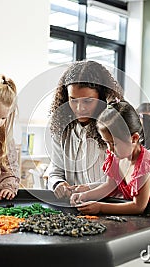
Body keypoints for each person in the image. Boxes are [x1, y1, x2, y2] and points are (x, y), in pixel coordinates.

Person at [70, 100, 150, 218]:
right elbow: (109, 186)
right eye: (107, 143)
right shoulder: (115, 157)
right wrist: (85, 196)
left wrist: (100, 207)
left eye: (114, 143)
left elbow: (138, 206)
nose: (110, 149)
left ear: (134, 138)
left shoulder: (145, 163)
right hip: (147, 216)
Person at [47, 60, 124, 199]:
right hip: (75, 208)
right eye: (73, 100)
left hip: (110, 207)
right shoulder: (62, 128)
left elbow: (125, 179)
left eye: (88, 101)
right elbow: (55, 171)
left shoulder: (114, 128)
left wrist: (90, 189)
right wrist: (58, 183)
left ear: (102, 98)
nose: (80, 108)